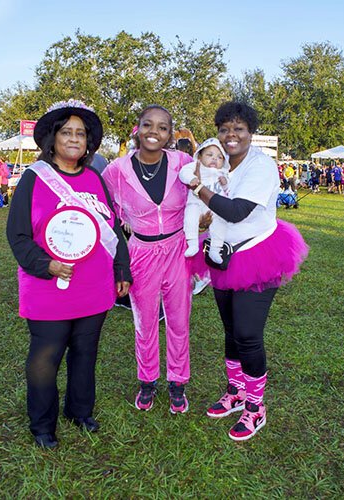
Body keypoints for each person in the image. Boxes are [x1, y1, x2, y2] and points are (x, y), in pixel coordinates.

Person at [6, 100, 131, 449]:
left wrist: (122, 267)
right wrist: (46, 265)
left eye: (81, 133)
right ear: (52, 138)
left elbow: (113, 229)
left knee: (86, 353)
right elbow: (16, 234)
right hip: (50, 286)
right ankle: (42, 425)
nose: (74, 138)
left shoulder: (94, 178)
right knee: (46, 357)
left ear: (88, 141)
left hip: (94, 286)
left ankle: (79, 411)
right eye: (67, 132)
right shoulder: (34, 178)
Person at [183, 102, 308, 441]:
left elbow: (236, 211)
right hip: (223, 252)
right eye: (224, 129)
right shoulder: (216, 161)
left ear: (251, 132)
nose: (231, 135)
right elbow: (210, 211)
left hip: (258, 252)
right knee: (230, 329)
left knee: (248, 333)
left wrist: (196, 188)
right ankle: (236, 392)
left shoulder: (262, 165)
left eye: (238, 128)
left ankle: (256, 407)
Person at [102, 105, 195, 415]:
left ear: (170, 134)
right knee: (144, 322)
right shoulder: (116, 170)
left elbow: (206, 193)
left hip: (177, 249)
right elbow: (104, 212)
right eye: (148, 125)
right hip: (140, 251)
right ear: (137, 128)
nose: (154, 132)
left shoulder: (184, 163)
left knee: (179, 320)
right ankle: (147, 381)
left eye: (163, 127)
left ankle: (177, 382)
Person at [180, 138, 230, 263]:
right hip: (196, 203)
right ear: (200, 156)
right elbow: (183, 172)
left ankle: (215, 248)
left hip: (215, 206)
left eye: (219, 157)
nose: (214, 159)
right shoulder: (196, 166)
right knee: (190, 217)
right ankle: (192, 243)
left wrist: (225, 184)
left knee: (220, 223)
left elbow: (230, 189)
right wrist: (191, 178)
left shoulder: (222, 172)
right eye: (210, 155)